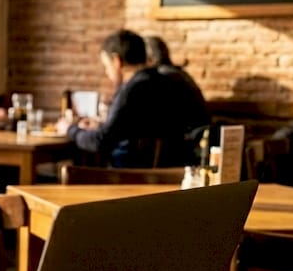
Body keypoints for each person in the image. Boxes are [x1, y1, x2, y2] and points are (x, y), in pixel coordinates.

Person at [57, 29, 209, 167]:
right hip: (171, 170)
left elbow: (100, 142)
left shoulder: (131, 90)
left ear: (117, 61)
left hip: (131, 174)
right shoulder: (166, 82)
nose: (106, 72)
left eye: (106, 65)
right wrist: (101, 125)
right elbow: (139, 127)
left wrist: (70, 129)